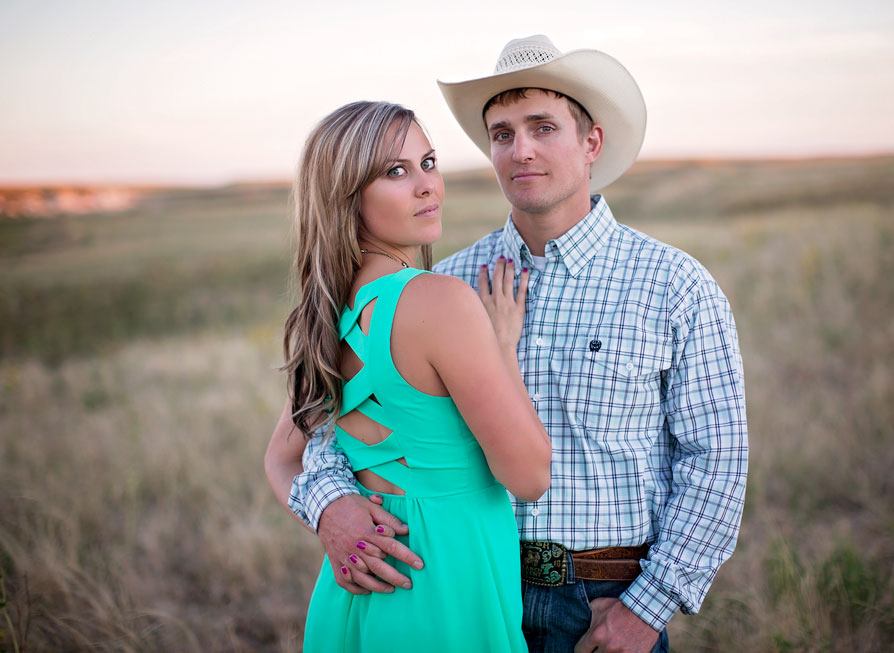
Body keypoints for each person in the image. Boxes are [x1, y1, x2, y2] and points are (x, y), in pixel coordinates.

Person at [287, 35, 748, 653]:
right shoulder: (443, 285)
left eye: (542, 127)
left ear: (591, 143)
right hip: (461, 586)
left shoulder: (673, 287)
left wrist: (647, 609)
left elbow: (716, 461)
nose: (520, 149)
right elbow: (325, 428)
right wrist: (329, 504)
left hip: (601, 603)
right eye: (502, 133)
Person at [263, 100, 552, 652]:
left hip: (353, 596)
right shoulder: (440, 301)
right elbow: (530, 475)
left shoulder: (323, 314)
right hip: (445, 593)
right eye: (396, 172)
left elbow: (281, 459)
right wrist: (504, 347)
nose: (426, 186)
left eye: (429, 162)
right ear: (347, 196)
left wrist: (329, 510)